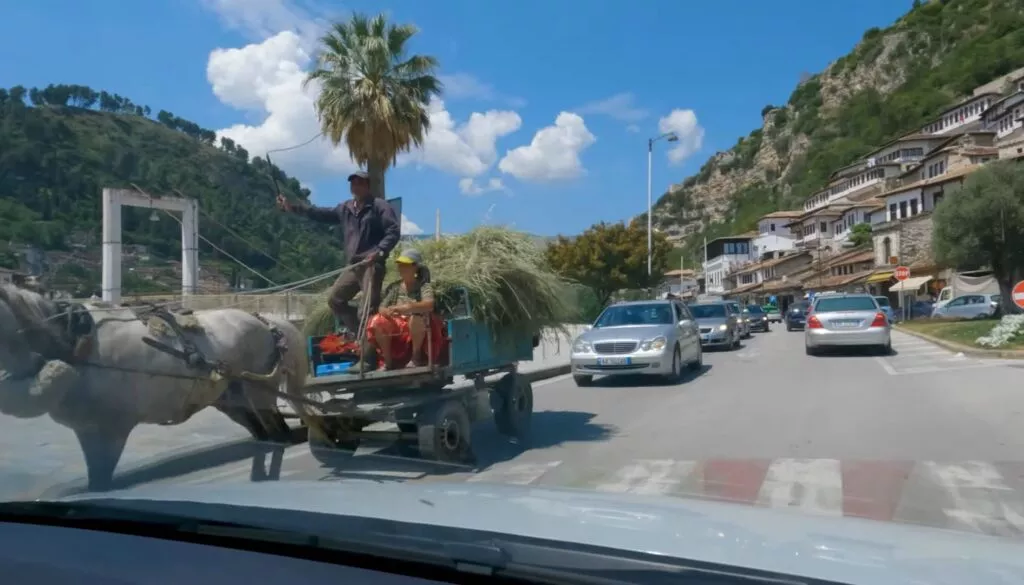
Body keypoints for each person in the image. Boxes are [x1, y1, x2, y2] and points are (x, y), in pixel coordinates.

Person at [276, 170, 400, 335]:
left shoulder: (379, 206)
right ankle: (362, 334)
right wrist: (291, 207)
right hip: (353, 265)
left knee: (367, 310)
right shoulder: (345, 208)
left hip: (371, 265)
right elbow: (318, 213)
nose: (356, 186)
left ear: (368, 186)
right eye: (353, 183)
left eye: (360, 183)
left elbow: (393, 231)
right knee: (335, 300)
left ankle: (368, 347)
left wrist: (380, 251)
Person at [365, 248, 444, 370]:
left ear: (415, 267)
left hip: (418, 324)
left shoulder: (423, 286)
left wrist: (408, 308)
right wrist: (387, 312)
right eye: (400, 265)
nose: (402, 268)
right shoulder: (395, 287)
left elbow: (429, 305)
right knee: (377, 321)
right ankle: (387, 361)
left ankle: (416, 356)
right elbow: (381, 307)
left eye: (406, 265)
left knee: (416, 317)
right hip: (397, 324)